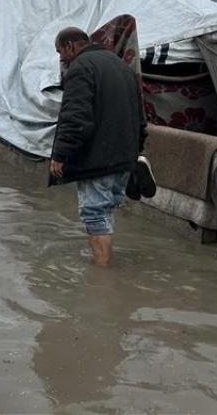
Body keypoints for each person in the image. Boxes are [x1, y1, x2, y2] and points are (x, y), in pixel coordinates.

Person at [48, 27, 148, 267]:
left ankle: (103, 279)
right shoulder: (122, 66)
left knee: (95, 214)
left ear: (71, 46)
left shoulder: (80, 69)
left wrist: (60, 154)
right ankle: (102, 262)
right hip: (123, 158)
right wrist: (136, 151)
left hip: (98, 159)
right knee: (106, 212)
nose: (60, 58)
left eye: (60, 51)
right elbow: (141, 117)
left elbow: (75, 116)